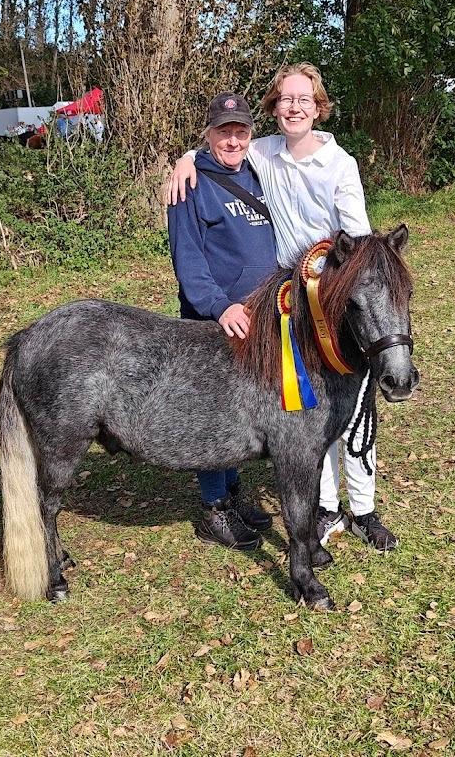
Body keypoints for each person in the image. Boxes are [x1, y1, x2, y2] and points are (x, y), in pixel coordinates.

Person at [169, 64, 400, 552]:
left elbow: (357, 236)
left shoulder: (329, 163)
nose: (294, 107)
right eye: (285, 100)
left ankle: (361, 507)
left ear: (318, 107)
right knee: (260, 407)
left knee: (343, 405)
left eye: (304, 100)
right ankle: (235, 505)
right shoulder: (257, 155)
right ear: (275, 108)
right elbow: (218, 154)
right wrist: (186, 158)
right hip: (263, 307)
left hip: (323, 302)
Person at [168, 92, 279, 550]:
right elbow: (188, 258)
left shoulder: (260, 173)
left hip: (262, 319)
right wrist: (219, 306)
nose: (232, 141)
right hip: (215, 321)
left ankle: (233, 495)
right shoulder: (190, 185)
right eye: (223, 132)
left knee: (242, 412)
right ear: (208, 134)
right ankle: (214, 508)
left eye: (240, 131)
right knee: (211, 416)